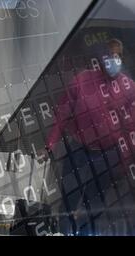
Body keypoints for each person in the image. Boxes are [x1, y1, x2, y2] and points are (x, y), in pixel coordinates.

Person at [41, 38, 135, 234]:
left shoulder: (129, 88)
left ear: (122, 59)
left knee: (96, 202)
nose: (112, 61)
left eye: (117, 57)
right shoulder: (82, 80)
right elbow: (62, 114)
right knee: (69, 197)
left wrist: (125, 162)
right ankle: (64, 232)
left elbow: (130, 128)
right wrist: (50, 142)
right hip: (78, 151)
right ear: (101, 60)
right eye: (109, 57)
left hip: (108, 155)